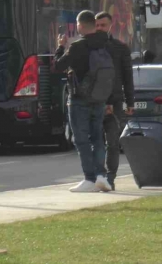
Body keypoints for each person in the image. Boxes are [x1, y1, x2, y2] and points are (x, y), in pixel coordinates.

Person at [55, 10, 113, 193]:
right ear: (94, 25)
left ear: (80, 25)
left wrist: (60, 47)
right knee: (97, 137)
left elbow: (57, 67)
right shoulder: (105, 43)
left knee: (81, 139)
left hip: (79, 99)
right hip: (99, 98)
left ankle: (89, 179)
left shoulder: (77, 46)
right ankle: (102, 176)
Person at [95, 12, 134, 191]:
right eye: (97, 25)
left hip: (115, 102)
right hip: (93, 102)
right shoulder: (87, 47)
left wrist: (130, 102)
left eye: (103, 25)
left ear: (110, 26)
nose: (100, 28)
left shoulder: (120, 48)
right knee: (95, 142)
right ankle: (97, 176)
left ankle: (110, 178)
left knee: (112, 141)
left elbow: (127, 77)